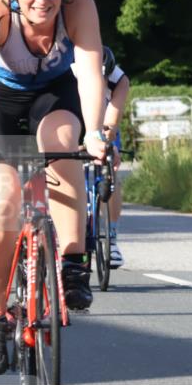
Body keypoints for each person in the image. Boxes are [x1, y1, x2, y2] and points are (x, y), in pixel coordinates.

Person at [0, 0, 108, 374]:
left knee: (63, 142)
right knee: (1, 195)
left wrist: (96, 131)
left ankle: (73, 264)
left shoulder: (80, 6)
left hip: (53, 94)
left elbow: (90, 73)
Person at [71, 46, 130, 267]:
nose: (102, 82)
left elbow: (112, 120)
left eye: (105, 78)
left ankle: (112, 237)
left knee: (111, 173)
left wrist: (105, 137)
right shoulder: (71, 73)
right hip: (75, 117)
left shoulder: (119, 80)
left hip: (102, 123)